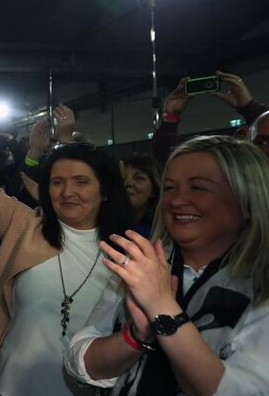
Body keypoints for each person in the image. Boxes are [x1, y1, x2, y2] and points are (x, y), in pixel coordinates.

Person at [0, 73, 133, 396]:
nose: (67, 192)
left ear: (105, 191)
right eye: (57, 182)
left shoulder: (126, 254)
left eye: (81, 182)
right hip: (4, 387)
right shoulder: (25, 224)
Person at [66, 135, 269, 395]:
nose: (176, 200)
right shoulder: (145, 265)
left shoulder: (261, 285)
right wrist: (136, 337)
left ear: (247, 201)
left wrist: (162, 307)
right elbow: (80, 364)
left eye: (198, 188)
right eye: (170, 188)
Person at [152, 71, 268, 163]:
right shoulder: (236, 173)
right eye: (261, 142)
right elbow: (172, 160)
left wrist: (251, 108)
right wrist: (170, 117)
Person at [120, 154, 162, 238]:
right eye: (123, 177)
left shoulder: (159, 232)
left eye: (138, 178)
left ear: (153, 191)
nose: (128, 183)